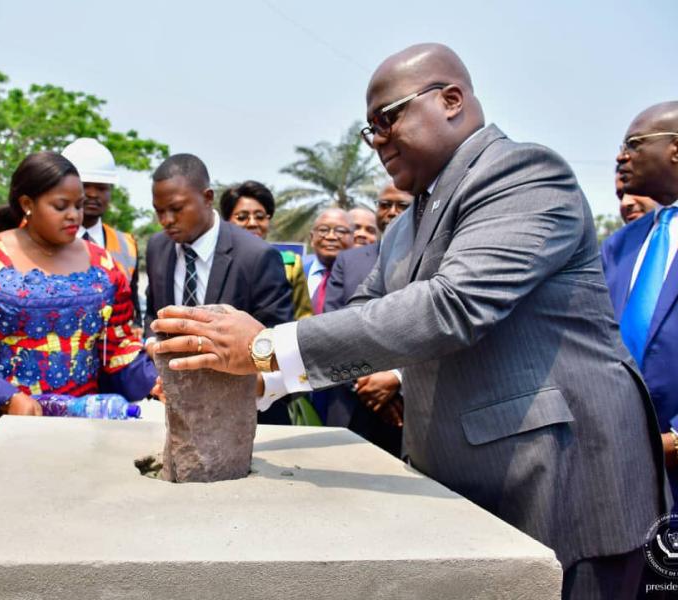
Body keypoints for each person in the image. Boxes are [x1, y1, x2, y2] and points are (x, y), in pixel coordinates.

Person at [150, 44, 666, 598]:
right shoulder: (404, 226)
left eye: (387, 118)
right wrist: (251, 378)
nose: (376, 141)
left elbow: (454, 306)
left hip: (561, 481)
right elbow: (362, 319)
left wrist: (264, 346)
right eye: (367, 129)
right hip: (468, 486)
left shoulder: (523, 175)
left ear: (450, 100)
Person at [0, 152, 156, 476]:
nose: (74, 216)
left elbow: (119, 346)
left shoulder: (104, 264)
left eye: (78, 205)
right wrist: (8, 399)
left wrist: (155, 381)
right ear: (27, 203)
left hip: (81, 427)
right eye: (61, 206)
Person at [145, 154, 293, 423]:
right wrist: (153, 348)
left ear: (207, 197)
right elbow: (151, 314)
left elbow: (279, 347)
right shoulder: (157, 248)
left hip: (243, 419)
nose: (165, 220)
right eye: (159, 211)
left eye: (176, 209)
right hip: (177, 413)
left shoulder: (257, 257)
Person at [602, 102, 678, 505]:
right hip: (619, 469)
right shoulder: (618, 246)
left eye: (634, 144)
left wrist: (674, 442)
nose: (620, 155)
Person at [322, 183, 414, 455]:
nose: (391, 212)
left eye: (401, 205)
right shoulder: (347, 261)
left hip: (407, 410)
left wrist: (396, 379)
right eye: (384, 205)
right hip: (350, 404)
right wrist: (368, 382)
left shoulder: (433, 257)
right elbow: (333, 324)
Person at [61, 138, 142, 328]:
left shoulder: (127, 245)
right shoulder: (44, 238)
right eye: (85, 185)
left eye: (101, 187)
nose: (92, 194)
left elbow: (134, 310)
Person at [220, 180, 312, 320]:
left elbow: (303, 317)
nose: (252, 223)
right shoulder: (215, 261)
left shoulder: (290, 263)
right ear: (227, 220)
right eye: (242, 217)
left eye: (260, 217)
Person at [302, 208, 354, 314]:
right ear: (312, 238)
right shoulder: (295, 273)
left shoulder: (363, 278)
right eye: (323, 230)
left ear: (352, 238)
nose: (331, 237)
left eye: (340, 231)